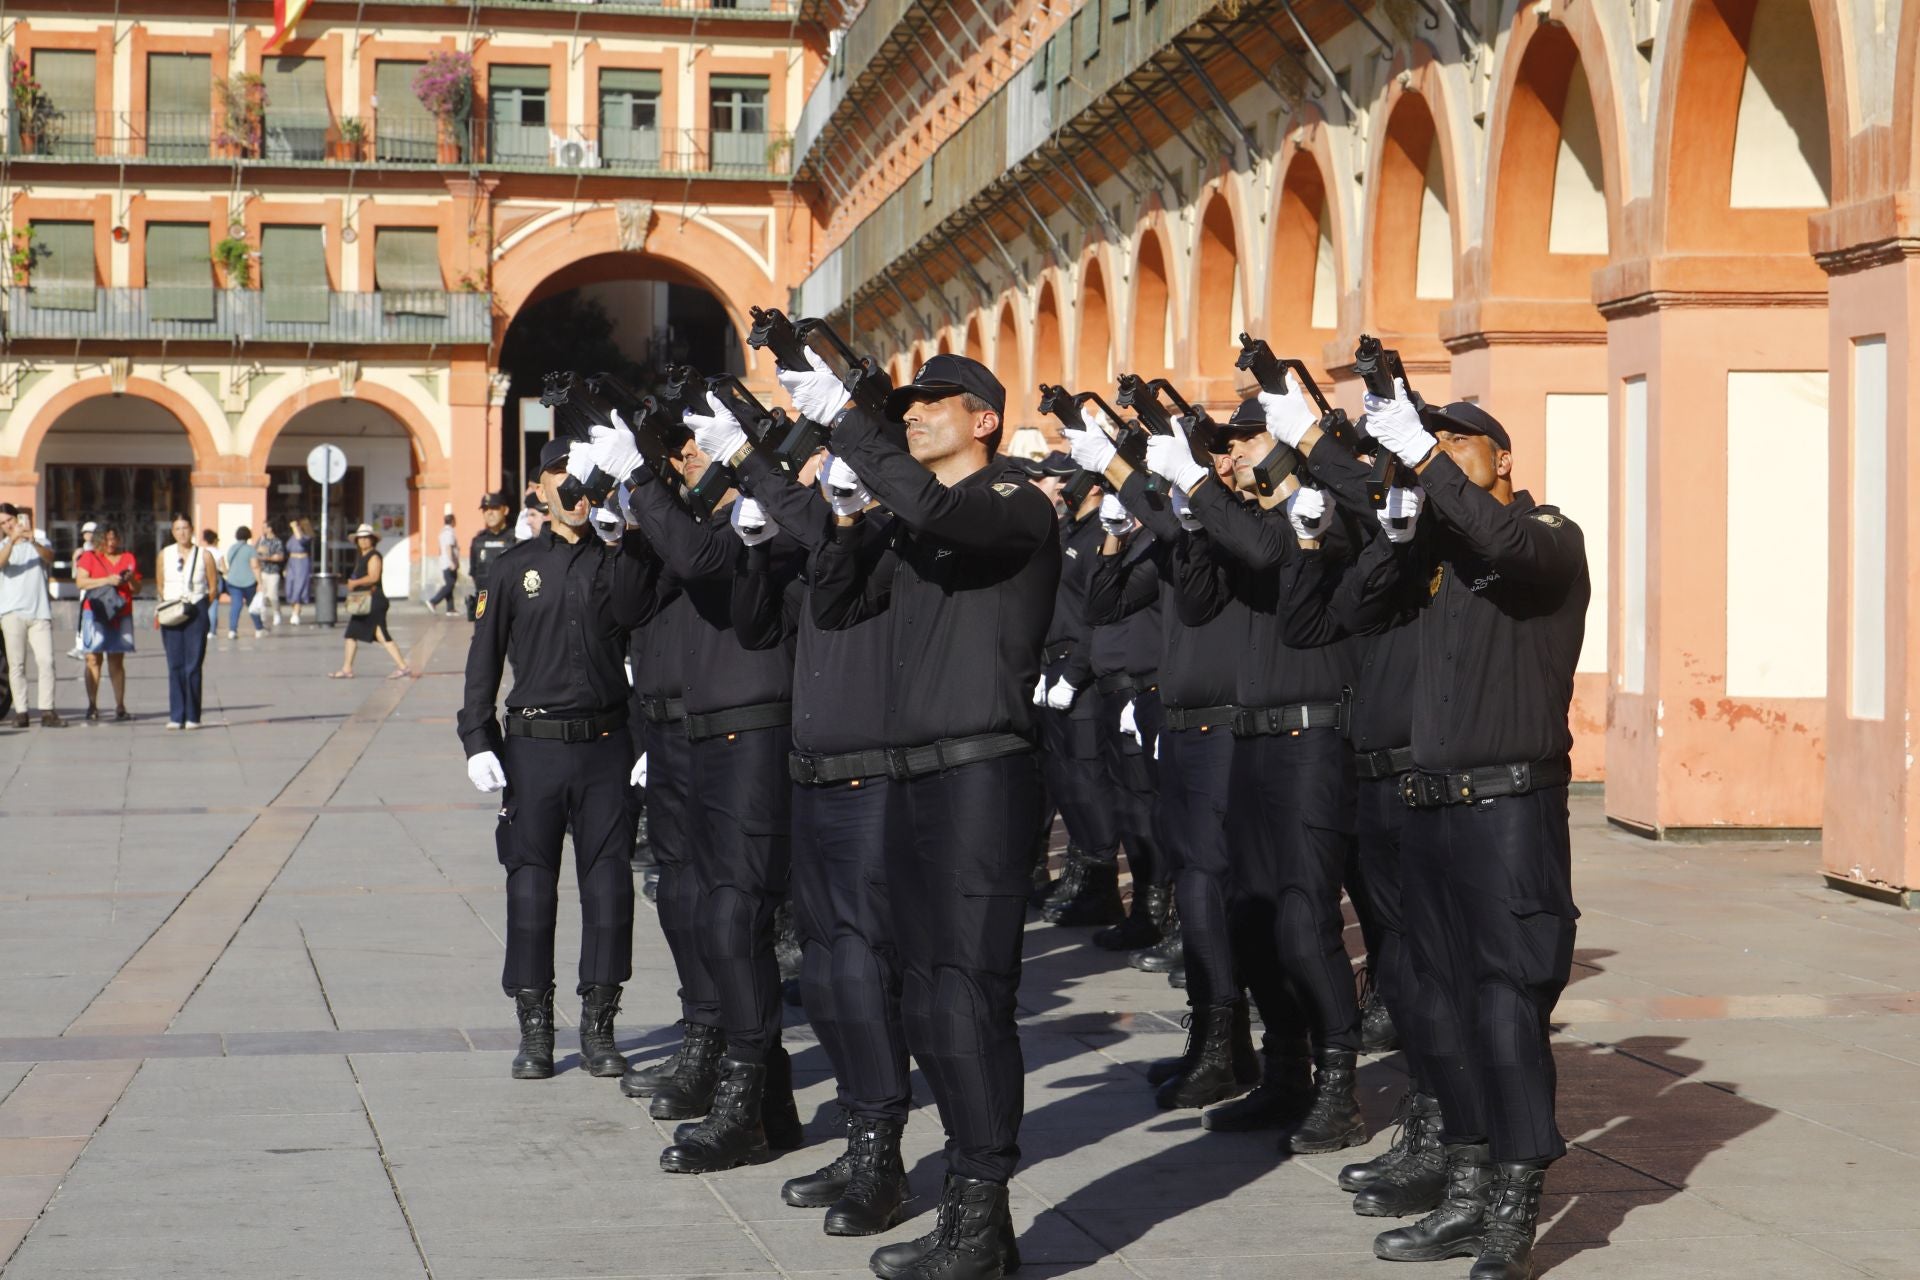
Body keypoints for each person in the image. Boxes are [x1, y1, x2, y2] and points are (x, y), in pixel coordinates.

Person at [784, 351, 1059, 1279]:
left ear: (984, 420)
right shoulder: (914, 522)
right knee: (930, 997)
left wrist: (852, 431)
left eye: (933, 405)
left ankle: (982, 1218)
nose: (915, 417)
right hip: (910, 779)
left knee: (971, 997)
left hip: (984, 773)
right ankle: (970, 1217)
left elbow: (945, 511)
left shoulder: (1016, 502)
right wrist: (852, 517)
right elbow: (834, 599)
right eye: (905, 410)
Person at [1349, 386, 1589, 1280]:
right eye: (1432, 442)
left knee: (1504, 1002)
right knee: (1433, 1003)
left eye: (1460, 444)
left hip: (1508, 811)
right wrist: (1396, 537)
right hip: (1428, 807)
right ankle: (1466, 1178)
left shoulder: (1547, 535)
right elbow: (1347, 615)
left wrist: (1424, 462)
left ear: (1504, 459)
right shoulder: (1437, 556)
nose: (1444, 455)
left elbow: (1506, 543)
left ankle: (1514, 1201)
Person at [1141, 404, 1369, 1158]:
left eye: (1241, 442)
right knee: (1250, 918)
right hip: (1250, 734)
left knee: (1305, 919)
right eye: (1223, 447)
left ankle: (1339, 1083)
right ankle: (1284, 1068)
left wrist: (1211, 497)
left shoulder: (1318, 513)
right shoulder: (1238, 519)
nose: (1229, 454)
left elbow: (1275, 553)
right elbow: (1199, 597)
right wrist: (1189, 508)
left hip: (1313, 731)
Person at [720, 421, 919, 1235]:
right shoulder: (823, 540)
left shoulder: (898, 538)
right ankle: (858, 1128)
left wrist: (769, 478)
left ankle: (884, 1155)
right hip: (811, 775)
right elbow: (755, 626)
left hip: (874, 776)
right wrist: (755, 547)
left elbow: (847, 575)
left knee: (866, 970)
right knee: (830, 976)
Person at [617, 417, 805, 1176]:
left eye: (704, 443)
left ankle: (750, 1090)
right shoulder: (717, 514)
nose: (690, 455)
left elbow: (701, 561)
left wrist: (645, 483)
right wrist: (634, 516)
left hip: (759, 729)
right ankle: (760, 1091)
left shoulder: (776, 514)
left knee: (737, 914)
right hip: (705, 727)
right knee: (699, 904)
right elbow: (632, 602)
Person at [456, 438, 649, 1084]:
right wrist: (477, 738)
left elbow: (644, 638)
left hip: (605, 747)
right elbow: (483, 660)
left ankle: (600, 1024)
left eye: (584, 474)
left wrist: (622, 539)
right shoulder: (512, 568)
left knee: (609, 890)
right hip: (534, 749)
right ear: (538, 487)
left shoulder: (617, 557)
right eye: (561, 474)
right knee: (531, 888)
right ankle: (535, 1027)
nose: (573, 486)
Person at [1, 504, 62, 727]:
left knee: (47, 661)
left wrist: (31, 539)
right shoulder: (2, 546)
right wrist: (11, 540)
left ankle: (47, 710)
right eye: (3, 523)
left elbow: (49, 557)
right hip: (11, 613)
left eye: (10, 520)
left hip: (39, 612)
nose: (8, 526)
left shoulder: (38, 540)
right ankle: (21, 712)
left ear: (18, 519)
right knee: (16, 665)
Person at [73, 524, 139, 722]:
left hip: (120, 612)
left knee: (117, 661)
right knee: (93, 659)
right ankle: (92, 705)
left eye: (114, 539)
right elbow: (81, 582)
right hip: (95, 612)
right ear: (100, 540)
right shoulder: (89, 557)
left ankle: (120, 706)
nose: (111, 543)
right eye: (107, 539)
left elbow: (137, 587)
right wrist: (107, 580)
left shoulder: (128, 558)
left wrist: (130, 580)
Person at [332, 526, 411, 679]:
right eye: (360, 538)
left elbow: (373, 577)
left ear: (372, 540)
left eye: (366, 537)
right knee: (352, 634)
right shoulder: (363, 556)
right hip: (365, 602)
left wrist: (355, 583)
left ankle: (403, 666)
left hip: (373, 601)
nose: (362, 540)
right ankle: (347, 668)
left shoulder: (374, 556)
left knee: (380, 634)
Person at [158, 514, 212, 730]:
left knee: (193, 664)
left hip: (196, 608)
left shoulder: (204, 555)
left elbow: (213, 586)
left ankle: (193, 715)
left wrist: (199, 605)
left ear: (192, 530)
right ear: (172, 532)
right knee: (174, 664)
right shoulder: (165, 554)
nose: (182, 532)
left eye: (185, 528)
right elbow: (160, 583)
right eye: (177, 529)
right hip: (171, 609)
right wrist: (171, 602)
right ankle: (176, 714)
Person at [467, 492, 516, 621]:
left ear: (505, 510)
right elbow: (474, 572)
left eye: (494, 508)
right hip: (483, 601)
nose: (489, 513)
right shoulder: (478, 541)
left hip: (509, 603)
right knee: (480, 638)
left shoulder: (515, 540)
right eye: (485, 509)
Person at [223, 526, 261, 640]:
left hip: (233, 581)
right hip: (249, 582)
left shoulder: (231, 548)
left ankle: (232, 630)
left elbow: (228, 561)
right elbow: (255, 566)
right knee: (252, 605)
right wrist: (260, 582)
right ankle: (259, 628)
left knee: (236, 605)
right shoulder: (250, 549)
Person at [68, 520, 98, 659]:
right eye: (86, 532)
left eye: (91, 532)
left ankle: (94, 645)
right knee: (82, 617)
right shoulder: (80, 551)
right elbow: (75, 573)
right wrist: (75, 559)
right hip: (85, 589)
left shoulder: (99, 551)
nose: (89, 535)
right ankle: (80, 645)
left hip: (97, 588)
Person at [255, 521, 287, 629]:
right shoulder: (261, 540)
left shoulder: (277, 542)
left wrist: (267, 558)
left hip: (273, 572)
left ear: (270, 529)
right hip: (262, 571)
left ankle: (277, 613)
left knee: (272, 595)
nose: (263, 530)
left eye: (264, 527)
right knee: (262, 595)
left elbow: (280, 556)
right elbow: (255, 552)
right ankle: (262, 615)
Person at [428, 513, 461, 616]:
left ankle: (450, 609)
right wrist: (452, 562)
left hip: (444, 561)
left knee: (450, 584)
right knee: (450, 584)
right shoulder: (449, 533)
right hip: (448, 563)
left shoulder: (442, 532)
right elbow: (448, 547)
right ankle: (433, 601)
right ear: (452, 521)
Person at [284, 518, 314, 624]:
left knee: (298, 587)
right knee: (289, 589)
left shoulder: (306, 537)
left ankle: (295, 614)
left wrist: (294, 527)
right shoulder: (292, 537)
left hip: (302, 563)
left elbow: (300, 539)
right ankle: (296, 609)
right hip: (292, 562)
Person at [199, 529, 226, 642]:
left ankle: (204, 628)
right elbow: (224, 569)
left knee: (204, 605)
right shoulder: (218, 552)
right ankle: (212, 631)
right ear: (215, 540)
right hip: (216, 579)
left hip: (203, 580)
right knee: (214, 605)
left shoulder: (202, 552)